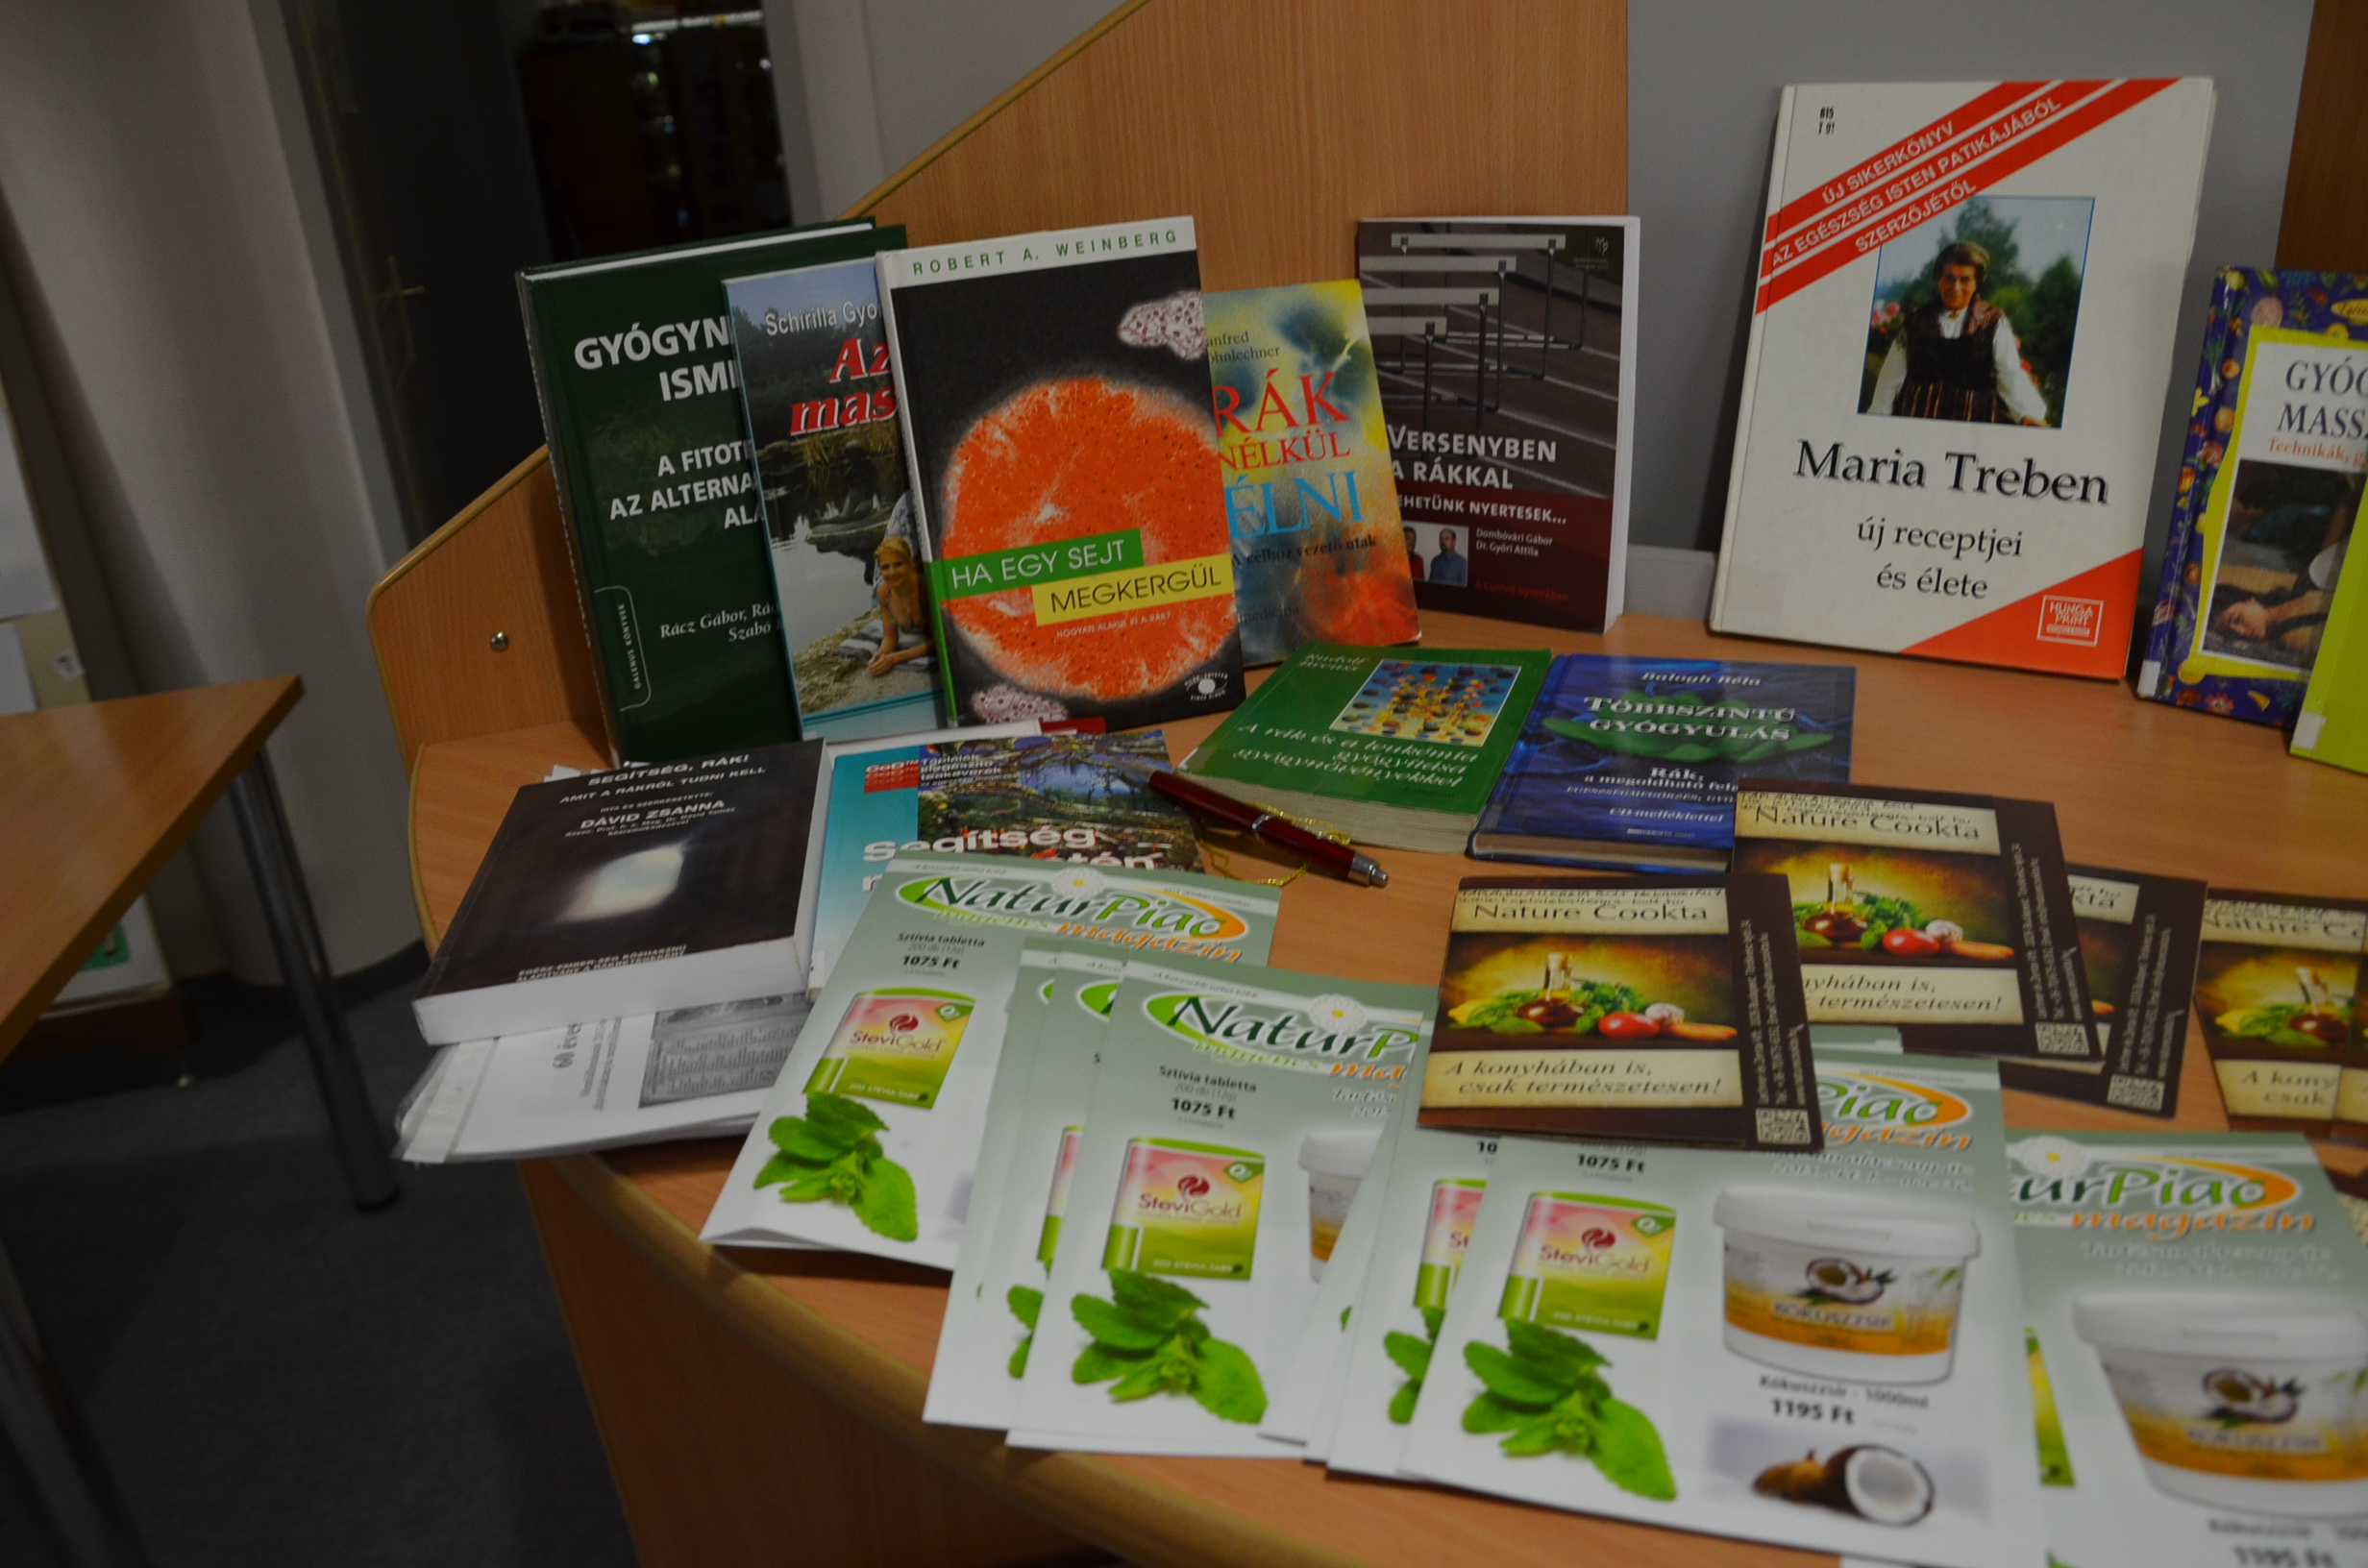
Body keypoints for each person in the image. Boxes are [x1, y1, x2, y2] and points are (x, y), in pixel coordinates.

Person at [1865, 241, 2049, 426]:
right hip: (1917, 418)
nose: (1956, 287)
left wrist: (2028, 414)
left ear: (1976, 283)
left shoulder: (1993, 323)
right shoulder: (1915, 323)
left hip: (1973, 421)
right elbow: (1890, 380)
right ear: (1939, 280)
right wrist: (1878, 419)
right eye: (1949, 278)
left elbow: (2010, 374)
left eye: (1965, 280)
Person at [835, 535, 934, 674]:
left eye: (898, 564)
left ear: (910, 563)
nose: (892, 572)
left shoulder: (926, 589)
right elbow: (890, 638)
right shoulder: (884, 592)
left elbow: (939, 641)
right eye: (885, 567)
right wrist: (880, 656)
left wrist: (895, 658)